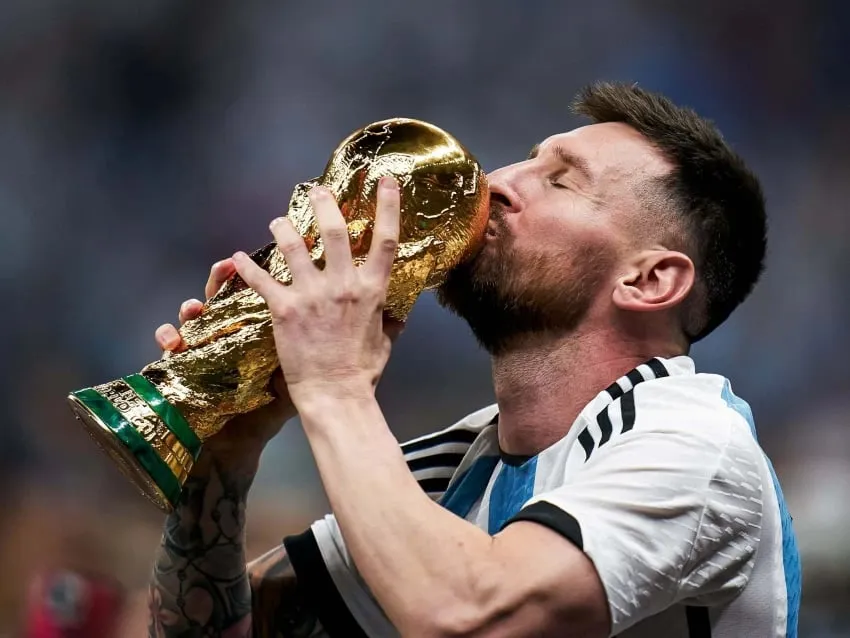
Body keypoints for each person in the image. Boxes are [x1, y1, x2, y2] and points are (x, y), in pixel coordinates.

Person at [147, 82, 800, 638]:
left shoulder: (695, 445)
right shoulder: (459, 466)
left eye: (561, 181)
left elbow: (467, 618)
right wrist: (221, 465)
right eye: (523, 160)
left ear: (651, 280)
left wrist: (336, 384)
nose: (494, 184)